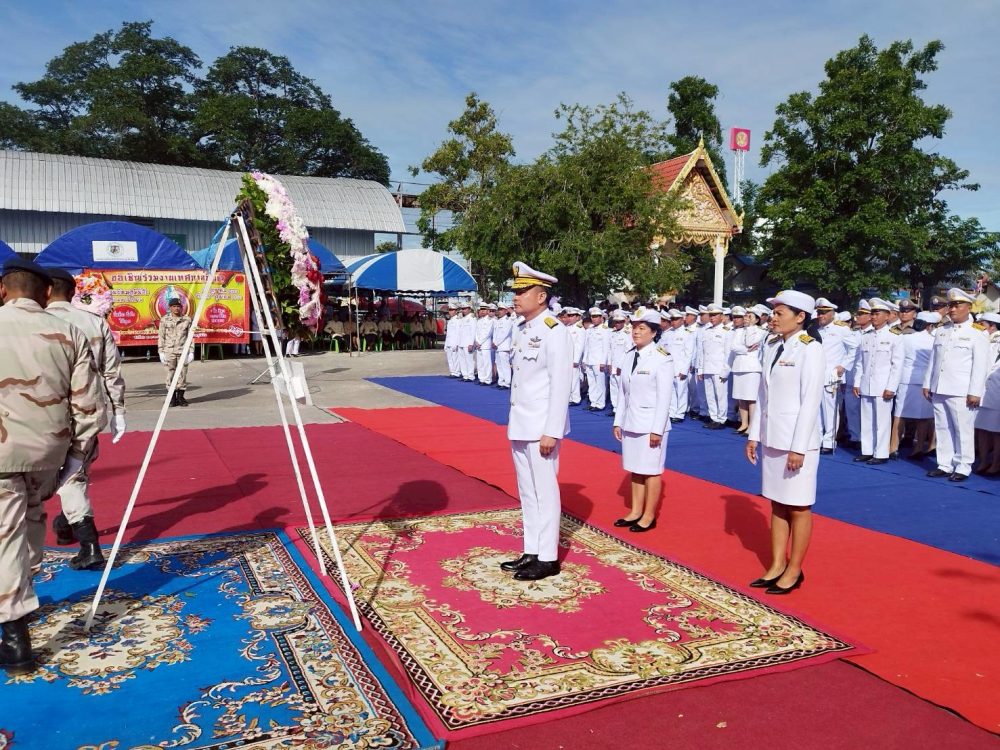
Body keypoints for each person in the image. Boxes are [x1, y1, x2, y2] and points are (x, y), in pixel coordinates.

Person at [0, 257, 103, 674]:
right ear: (46, 293)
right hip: (49, 452)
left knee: (5, 536)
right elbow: (89, 406)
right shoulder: (70, 332)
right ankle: (22, 593)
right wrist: (75, 458)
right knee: (29, 521)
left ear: (2, 290)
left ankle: (14, 633)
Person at [45, 268, 126, 570]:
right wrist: (118, 410)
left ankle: (89, 544)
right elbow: (111, 371)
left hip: (49, 412)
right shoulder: (94, 322)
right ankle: (66, 523)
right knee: (78, 470)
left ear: (45, 291)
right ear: (72, 293)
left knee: (69, 476)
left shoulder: (38, 322)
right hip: (89, 411)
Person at [746, 290, 824, 595]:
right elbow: (763, 395)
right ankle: (777, 564)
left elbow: (810, 402)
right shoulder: (772, 346)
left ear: (800, 317)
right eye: (773, 313)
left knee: (799, 506)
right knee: (777, 503)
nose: (773, 318)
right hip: (772, 437)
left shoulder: (810, 349)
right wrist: (754, 435)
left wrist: (798, 447)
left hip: (796, 441)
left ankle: (794, 569)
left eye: (780, 313)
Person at [501, 261, 573, 581]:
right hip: (521, 422)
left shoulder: (554, 331)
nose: (515, 297)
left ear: (541, 296)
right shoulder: (522, 329)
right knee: (527, 491)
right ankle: (531, 549)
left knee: (545, 491)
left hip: (541, 427)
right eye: (515, 292)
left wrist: (551, 431)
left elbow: (560, 385)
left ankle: (548, 557)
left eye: (522, 292)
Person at [612, 308, 674, 532]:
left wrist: (657, 429)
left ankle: (649, 515)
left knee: (651, 470)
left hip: (650, 424)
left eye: (642, 328)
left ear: (654, 332)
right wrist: (618, 421)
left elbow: (664, 398)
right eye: (634, 328)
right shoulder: (629, 355)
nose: (636, 332)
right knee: (635, 468)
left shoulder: (662, 358)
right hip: (631, 422)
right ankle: (636, 511)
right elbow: (623, 393)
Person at [923, 288, 989, 482]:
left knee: (962, 429)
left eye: (957, 305)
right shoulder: (942, 330)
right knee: (942, 427)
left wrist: (975, 392)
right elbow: (934, 359)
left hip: (961, 390)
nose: (952, 309)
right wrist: (927, 383)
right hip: (939, 386)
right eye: (950, 305)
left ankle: (963, 466)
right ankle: (944, 464)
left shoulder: (978, 332)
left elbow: (980, 365)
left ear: (969, 307)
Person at [852, 298, 904, 464]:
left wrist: (891, 387)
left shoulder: (894, 336)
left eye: (877, 313)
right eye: (872, 313)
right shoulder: (866, 336)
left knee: (882, 421)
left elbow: (897, 365)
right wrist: (857, 382)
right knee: (866, 419)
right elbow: (860, 362)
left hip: (883, 386)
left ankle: (881, 453)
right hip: (866, 383)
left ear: (887, 316)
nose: (873, 317)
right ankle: (867, 450)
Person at [813, 298, 856, 453]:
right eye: (819, 312)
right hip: (816, 374)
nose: (821, 315)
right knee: (816, 410)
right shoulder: (816, 330)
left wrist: (843, 366)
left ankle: (829, 442)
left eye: (824, 312)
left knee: (830, 410)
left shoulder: (841, 329)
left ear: (832, 313)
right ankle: (817, 439)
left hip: (831, 376)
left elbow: (854, 348)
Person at [895, 311, 939, 460]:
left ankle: (893, 447)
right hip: (925, 381)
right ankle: (919, 447)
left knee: (899, 415)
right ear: (930, 326)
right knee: (923, 417)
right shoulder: (934, 341)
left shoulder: (905, 338)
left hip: (906, 378)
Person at [729, 305, 766, 434]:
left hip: (752, 368)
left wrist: (750, 327)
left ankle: (752, 425)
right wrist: (745, 350)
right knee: (741, 397)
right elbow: (733, 347)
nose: (746, 318)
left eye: (750, 316)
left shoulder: (760, 331)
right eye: (746, 315)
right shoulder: (739, 331)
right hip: (739, 366)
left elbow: (750, 342)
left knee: (751, 398)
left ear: (757, 319)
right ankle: (744, 423)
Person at [697, 303, 730, 429]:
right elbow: (702, 352)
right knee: (709, 395)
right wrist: (700, 369)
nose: (712, 317)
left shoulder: (726, 332)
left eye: (715, 315)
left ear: (722, 316)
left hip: (719, 368)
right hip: (707, 368)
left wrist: (725, 371)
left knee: (720, 395)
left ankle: (721, 419)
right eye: (711, 315)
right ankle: (713, 417)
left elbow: (727, 353)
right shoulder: (706, 331)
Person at [974, 312, 1000, 473]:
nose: (978, 327)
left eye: (982, 324)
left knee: (997, 431)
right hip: (981, 391)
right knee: (981, 429)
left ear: (992, 326)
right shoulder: (981, 339)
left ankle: (996, 464)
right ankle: (983, 461)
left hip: (996, 392)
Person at [158, 297, 193, 407]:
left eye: (178, 306)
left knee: (182, 374)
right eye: (174, 306)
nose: (176, 308)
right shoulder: (164, 320)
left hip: (183, 350)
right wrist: (161, 351)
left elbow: (191, 336)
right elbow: (161, 336)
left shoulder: (187, 320)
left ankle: (180, 397)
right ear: (170, 307)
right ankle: (172, 398)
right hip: (169, 351)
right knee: (170, 374)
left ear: (181, 307)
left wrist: (191, 351)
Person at [583, 307, 610, 411]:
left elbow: (606, 347)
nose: (594, 318)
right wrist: (584, 360)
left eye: (596, 316)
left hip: (599, 361)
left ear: (601, 317)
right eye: (592, 316)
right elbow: (586, 346)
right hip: (589, 360)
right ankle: (593, 402)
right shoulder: (589, 330)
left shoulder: (605, 330)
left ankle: (600, 404)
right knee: (591, 383)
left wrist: (603, 362)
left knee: (600, 383)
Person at [493, 303, 515, 389]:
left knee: (505, 365)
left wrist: (496, 343)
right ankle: (501, 381)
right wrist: (494, 343)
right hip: (497, 347)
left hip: (504, 346)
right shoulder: (498, 321)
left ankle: (507, 383)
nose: (499, 311)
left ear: (506, 311)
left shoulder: (508, 320)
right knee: (499, 365)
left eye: (501, 309)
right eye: (499, 309)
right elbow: (495, 334)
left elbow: (504, 334)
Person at [475, 304, 495, 385]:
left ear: (487, 310)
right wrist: (476, 341)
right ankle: (481, 378)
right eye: (481, 309)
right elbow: (476, 332)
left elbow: (488, 333)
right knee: (480, 363)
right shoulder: (479, 320)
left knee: (487, 363)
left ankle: (487, 379)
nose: (482, 311)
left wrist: (480, 342)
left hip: (485, 344)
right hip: (478, 345)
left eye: (484, 309)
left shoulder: (491, 320)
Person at [456, 303, 477, 381]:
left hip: (468, 343)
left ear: (469, 309)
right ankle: (465, 375)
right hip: (461, 342)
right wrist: (458, 343)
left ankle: (470, 376)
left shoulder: (472, 318)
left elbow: (473, 332)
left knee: (469, 361)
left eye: (465, 309)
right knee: (462, 360)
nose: (463, 310)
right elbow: (460, 332)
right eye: (462, 309)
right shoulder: (462, 319)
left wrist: (471, 343)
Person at [443, 303, 461, 376]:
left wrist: (456, 343)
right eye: (449, 310)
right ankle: (452, 372)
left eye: (452, 310)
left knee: (455, 359)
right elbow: (448, 334)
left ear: (456, 311)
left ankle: (457, 372)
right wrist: (446, 344)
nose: (450, 312)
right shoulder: (450, 321)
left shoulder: (458, 320)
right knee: (450, 359)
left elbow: (458, 333)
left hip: (454, 342)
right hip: (449, 342)